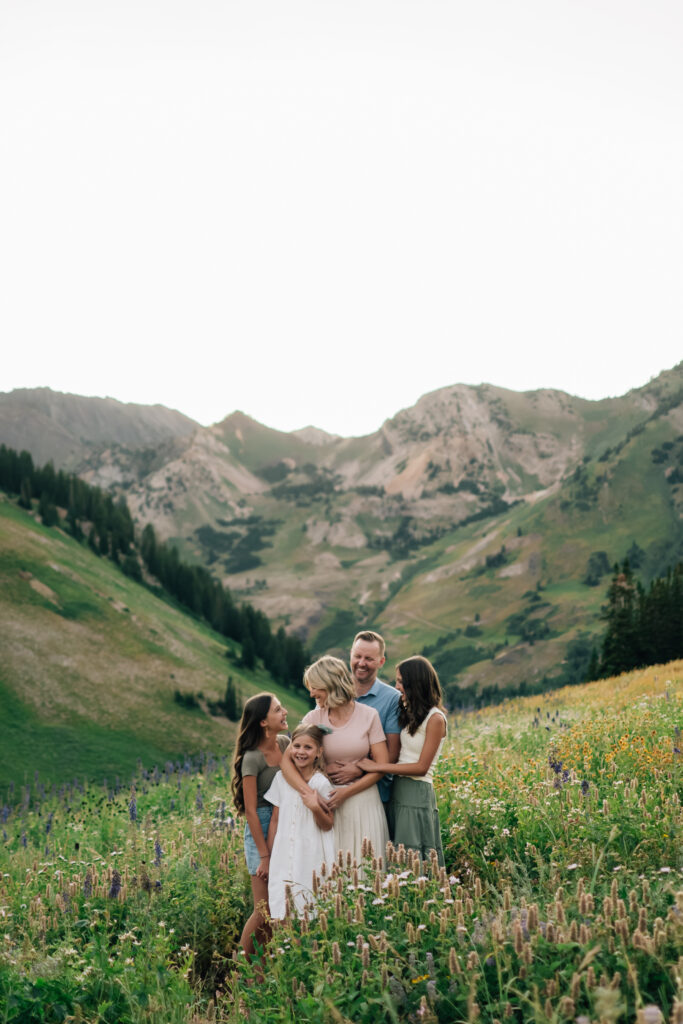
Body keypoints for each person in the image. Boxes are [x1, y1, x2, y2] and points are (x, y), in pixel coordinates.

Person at [282, 656, 389, 864]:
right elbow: (288, 761)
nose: (311, 693)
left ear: (330, 684)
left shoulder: (369, 715)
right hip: (328, 806)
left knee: (366, 869)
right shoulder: (313, 718)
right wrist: (310, 794)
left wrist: (346, 792)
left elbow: (381, 767)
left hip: (363, 804)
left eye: (315, 687)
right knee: (330, 872)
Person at [357, 655, 447, 865]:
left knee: (413, 854)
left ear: (415, 683)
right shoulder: (410, 712)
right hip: (398, 789)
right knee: (398, 852)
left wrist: (377, 766)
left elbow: (422, 767)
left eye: (401, 682)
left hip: (416, 792)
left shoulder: (435, 719)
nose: (397, 686)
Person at [230, 692, 289, 957]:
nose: (284, 712)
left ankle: (263, 968)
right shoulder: (253, 757)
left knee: (281, 908)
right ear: (263, 722)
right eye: (278, 710)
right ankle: (241, 968)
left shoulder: (286, 745)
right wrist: (264, 855)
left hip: (286, 823)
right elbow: (251, 811)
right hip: (261, 829)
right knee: (263, 909)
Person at [326, 631, 401, 819]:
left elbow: (392, 753)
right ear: (350, 654)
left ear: (381, 662)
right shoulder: (331, 692)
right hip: (330, 794)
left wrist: (359, 769)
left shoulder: (392, 699)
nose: (361, 663)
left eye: (369, 658)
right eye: (357, 656)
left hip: (374, 794)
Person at [264, 724, 335, 920]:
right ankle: (283, 949)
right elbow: (275, 821)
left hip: (309, 854)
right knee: (280, 907)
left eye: (308, 747)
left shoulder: (321, 783)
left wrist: (314, 807)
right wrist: (270, 857)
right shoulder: (281, 778)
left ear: (319, 752)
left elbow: (328, 824)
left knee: (308, 907)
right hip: (283, 853)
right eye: (296, 746)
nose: (301, 752)